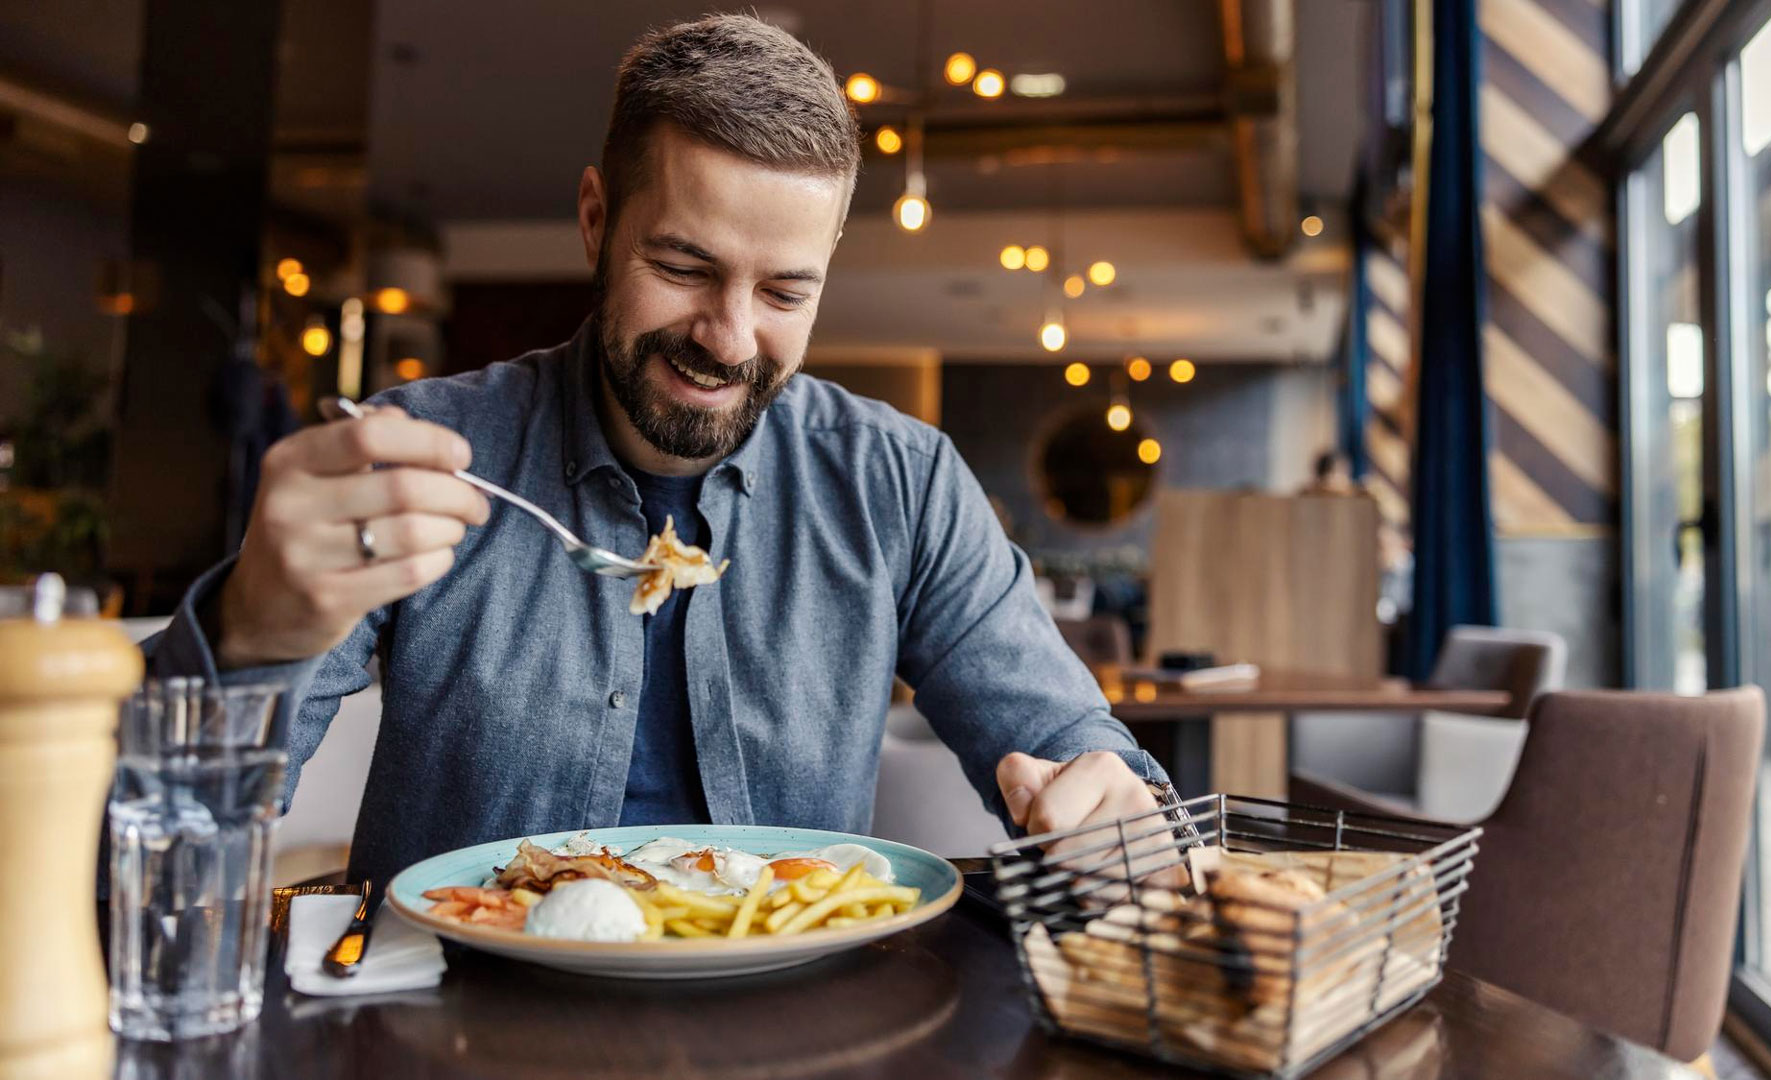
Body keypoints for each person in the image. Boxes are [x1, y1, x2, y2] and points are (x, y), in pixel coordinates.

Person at [143, 15, 1169, 885]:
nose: (726, 338)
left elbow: (1083, 762)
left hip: (791, 1035)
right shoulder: (421, 454)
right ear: (596, 220)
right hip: (453, 1026)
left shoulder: (901, 484)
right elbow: (157, 834)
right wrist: (248, 638)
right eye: (683, 266)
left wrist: (1104, 813)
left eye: (783, 293)